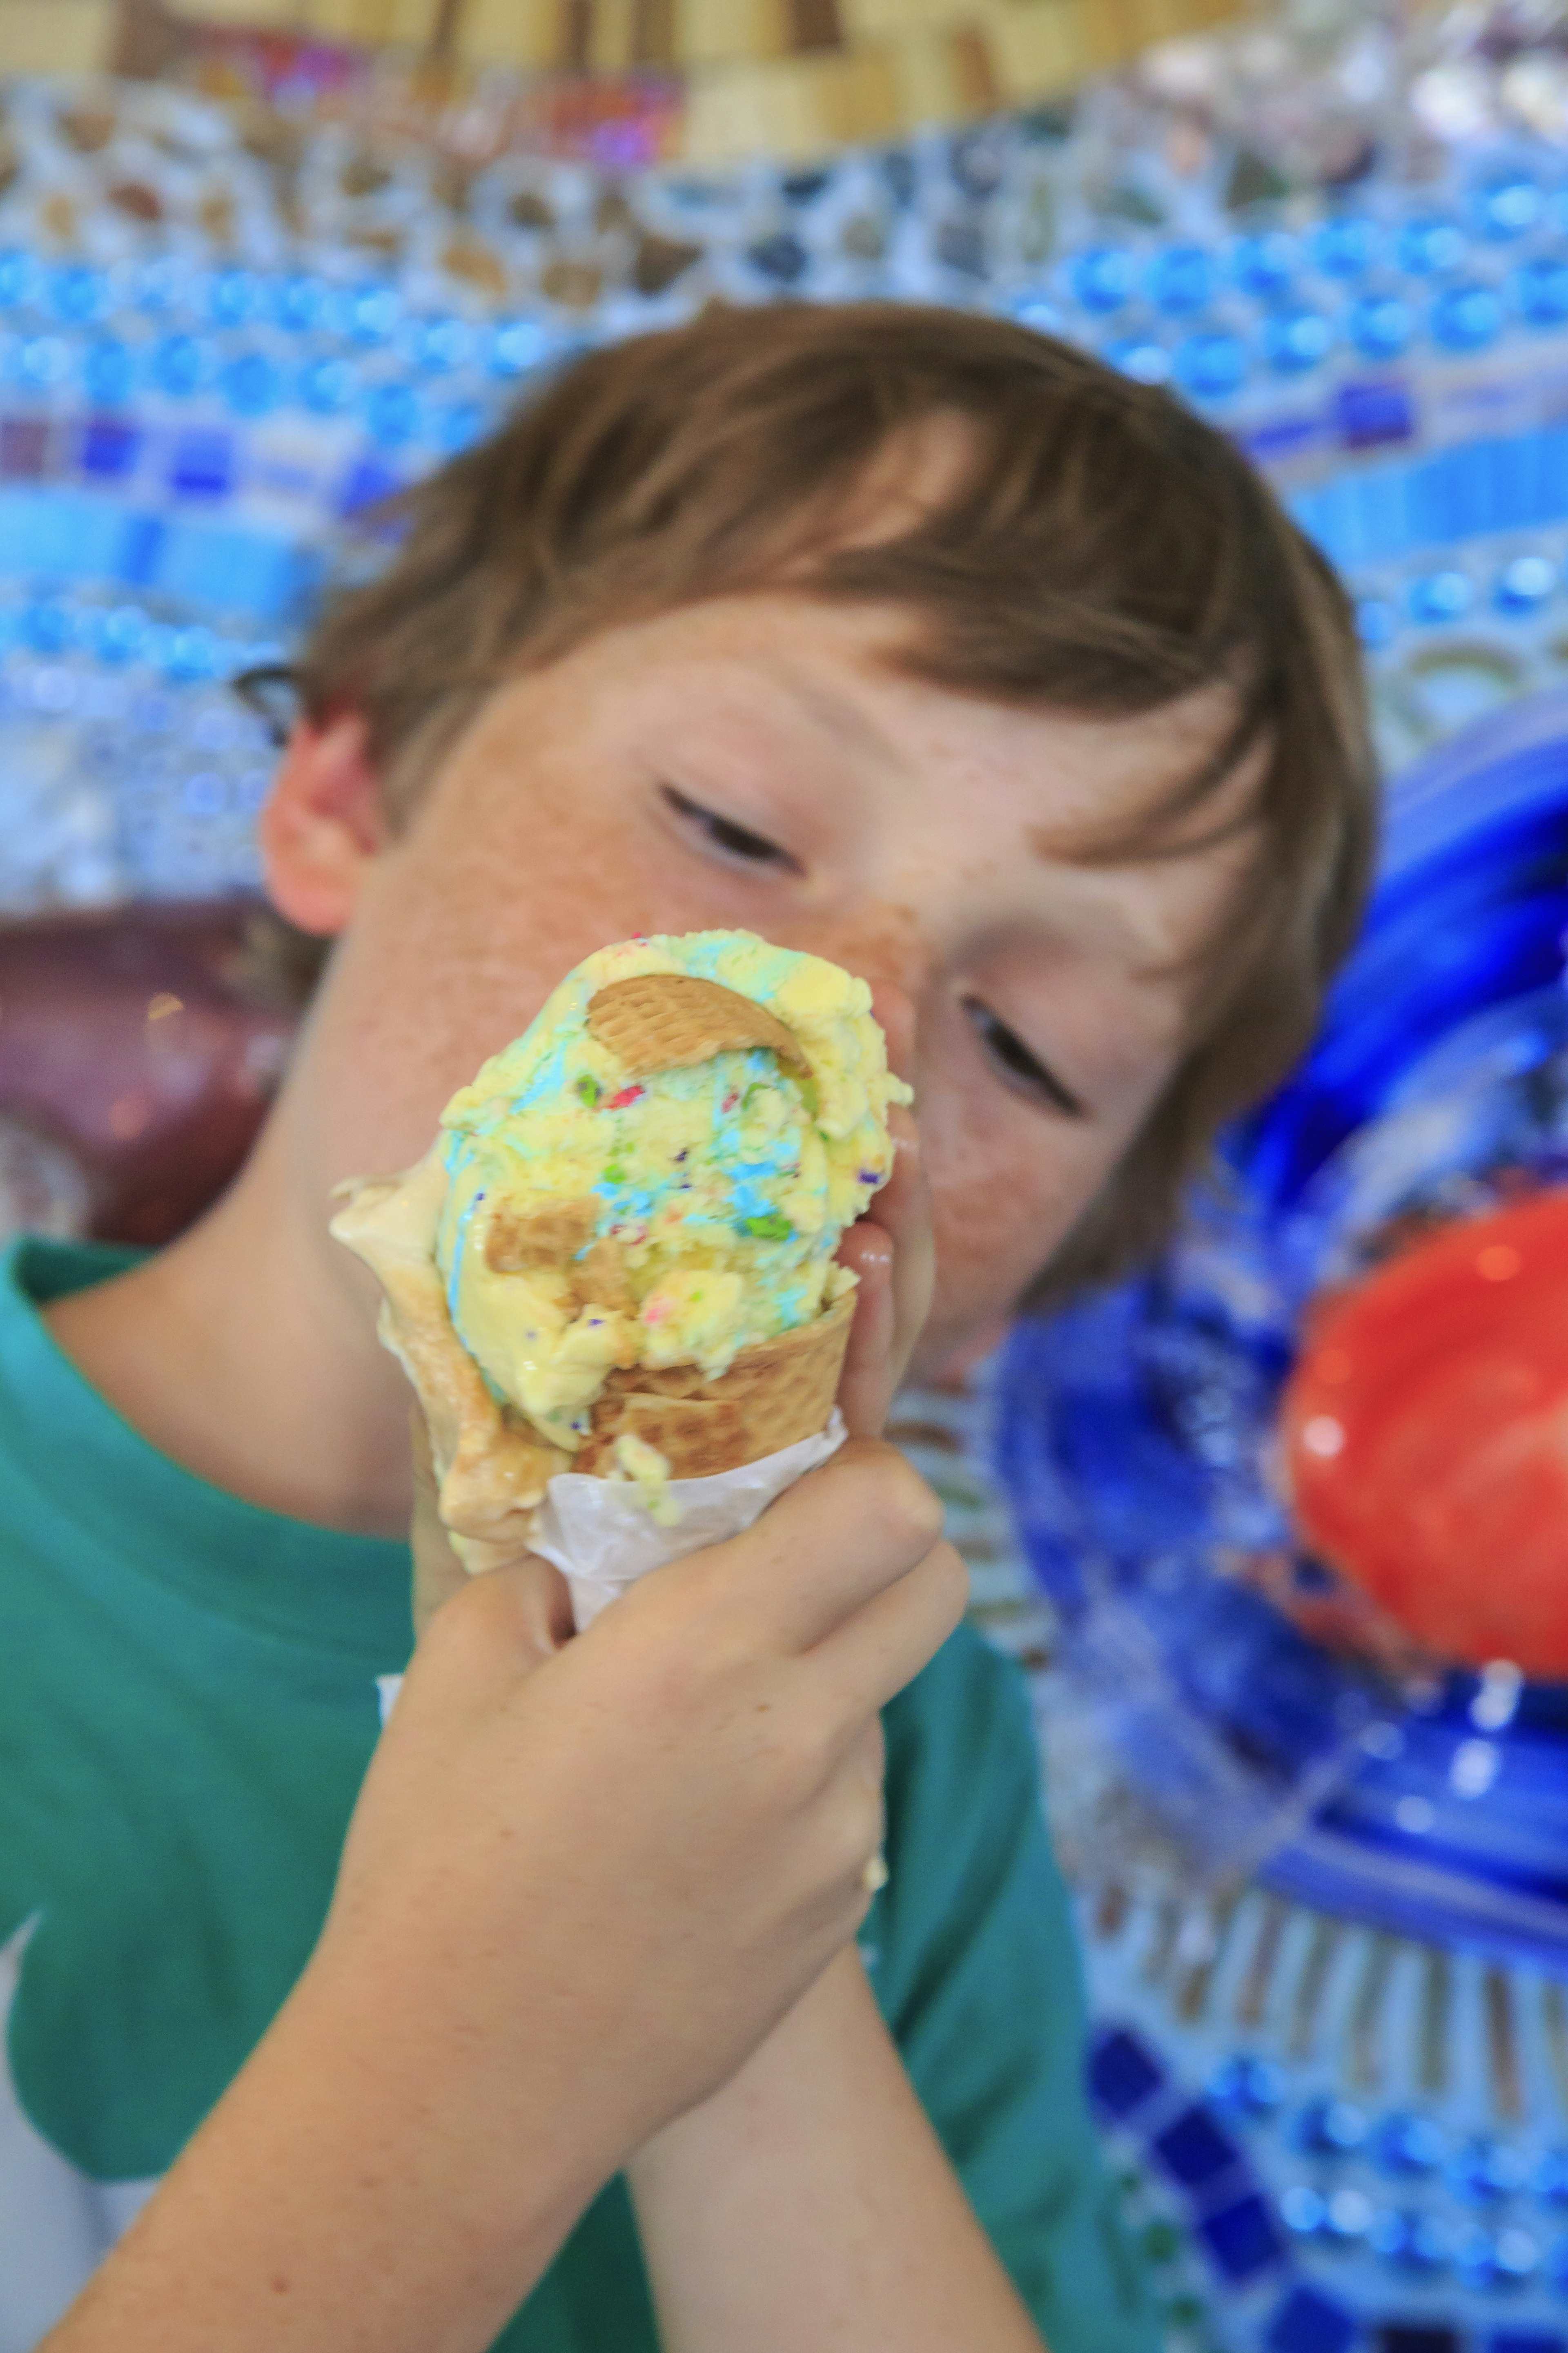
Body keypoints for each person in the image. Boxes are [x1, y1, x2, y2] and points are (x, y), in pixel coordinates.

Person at [0, 302, 1374, 2353]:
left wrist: (742, 1913)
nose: (852, 1029)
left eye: (1024, 1044)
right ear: (351, 792)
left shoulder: (910, 1748)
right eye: (729, 826)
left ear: (1024, 1289)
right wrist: (506, 2027)